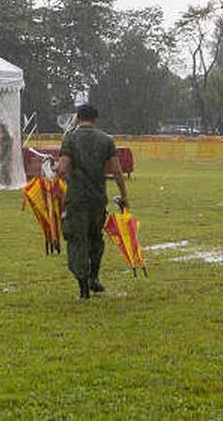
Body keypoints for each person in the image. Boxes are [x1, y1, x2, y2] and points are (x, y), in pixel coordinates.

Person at [57, 104, 130, 300]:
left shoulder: (70, 138)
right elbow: (116, 171)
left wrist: (55, 168)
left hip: (77, 198)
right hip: (98, 198)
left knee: (77, 239)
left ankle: (83, 287)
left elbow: (63, 168)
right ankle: (94, 277)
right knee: (95, 239)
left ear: (78, 118)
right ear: (94, 119)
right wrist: (124, 196)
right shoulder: (106, 140)